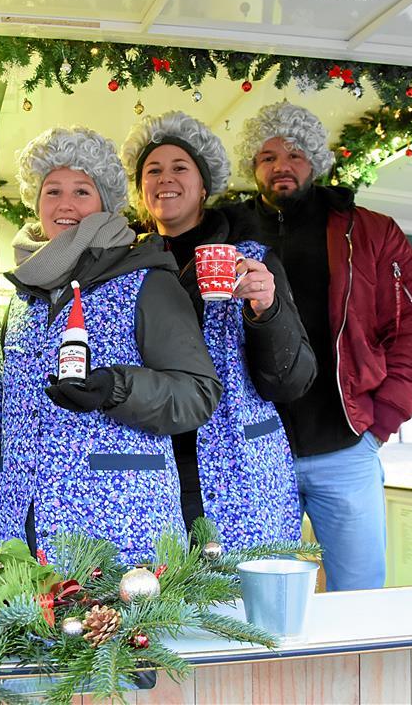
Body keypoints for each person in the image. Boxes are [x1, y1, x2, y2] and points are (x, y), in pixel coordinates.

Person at [224, 101, 412, 590]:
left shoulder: (368, 232)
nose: (281, 165)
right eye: (267, 156)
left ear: (316, 161)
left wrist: (382, 418)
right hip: (253, 454)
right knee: (255, 602)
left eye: (295, 154)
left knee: (361, 596)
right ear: (251, 165)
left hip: (344, 448)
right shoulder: (227, 233)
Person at [0, 126, 221, 564]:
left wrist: (117, 388)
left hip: (121, 525)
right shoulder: (24, 294)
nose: (65, 205)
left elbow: (198, 392)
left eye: (82, 191)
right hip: (21, 530)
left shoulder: (146, 279)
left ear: (105, 202)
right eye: (52, 191)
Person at [120, 111, 316, 547]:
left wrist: (266, 307)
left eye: (179, 167)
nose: (165, 178)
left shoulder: (251, 257)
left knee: (241, 608)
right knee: (156, 605)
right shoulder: (122, 267)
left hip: (238, 464)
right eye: (152, 170)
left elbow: (291, 380)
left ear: (205, 186)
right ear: (139, 192)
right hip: (148, 464)